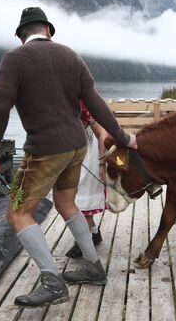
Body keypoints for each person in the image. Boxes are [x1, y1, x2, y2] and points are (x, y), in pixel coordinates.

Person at [0, 7, 137, 307]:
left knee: (17, 212)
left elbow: (0, 107)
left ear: (21, 37)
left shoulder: (13, 59)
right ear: (49, 31)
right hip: (77, 145)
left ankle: (52, 282)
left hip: (45, 150)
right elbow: (95, 102)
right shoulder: (70, 55)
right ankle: (92, 267)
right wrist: (123, 137)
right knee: (65, 203)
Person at [65, 102, 107, 259]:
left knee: (84, 199)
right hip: (72, 150)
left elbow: (102, 134)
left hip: (90, 151)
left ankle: (83, 245)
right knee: (72, 198)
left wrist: (102, 163)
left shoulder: (81, 103)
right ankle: (94, 233)